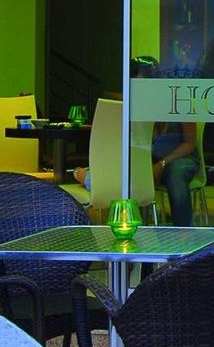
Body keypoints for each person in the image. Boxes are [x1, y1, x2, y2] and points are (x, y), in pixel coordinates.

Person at [74, 56, 199, 226]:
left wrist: (162, 164)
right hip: (148, 158)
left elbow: (189, 143)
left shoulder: (178, 100)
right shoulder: (135, 104)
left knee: (175, 173)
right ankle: (132, 224)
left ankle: (184, 230)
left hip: (179, 157)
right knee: (121, 171)